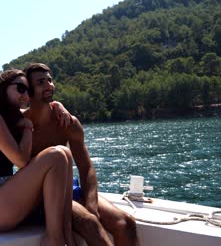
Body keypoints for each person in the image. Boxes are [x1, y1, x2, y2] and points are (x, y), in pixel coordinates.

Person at [22, 63, 140, 246]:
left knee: (126, 223)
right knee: (90, 224)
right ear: (28, 90)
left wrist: (92, 204)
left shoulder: (67, 123)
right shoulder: (20, 124)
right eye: (40, 82)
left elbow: (86, 168)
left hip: (70, 188)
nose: (48, 85)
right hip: (41, 197)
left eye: (50, 80)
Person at [0, 69, 76, 246]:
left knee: (65, 153)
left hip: (5, 195)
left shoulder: (14, 118)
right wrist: (27, 127)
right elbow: (21, 161)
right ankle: (53, 239)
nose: (26, 94)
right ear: (3, 89)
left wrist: (58, 105)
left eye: (28, 90)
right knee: (55, 154)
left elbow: (42, 106)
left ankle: (65, 232)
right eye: (20, 88)